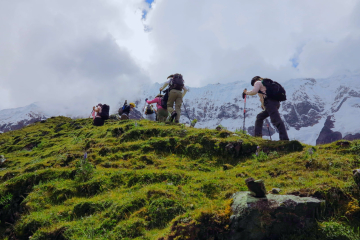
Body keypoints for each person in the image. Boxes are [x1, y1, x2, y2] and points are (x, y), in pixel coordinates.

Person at [243, 76, 289, 140]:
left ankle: (284, 139)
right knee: (259, 117)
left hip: (270, 104)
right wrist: (263, 105)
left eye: (253, 84)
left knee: (277, 120)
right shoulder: (266, 85)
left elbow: (254, 92)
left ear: (254, 81)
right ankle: (257, 137)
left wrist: (245, 92)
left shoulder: (258, 82)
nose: (254, 85)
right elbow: (263, 96)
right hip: (275, 103)